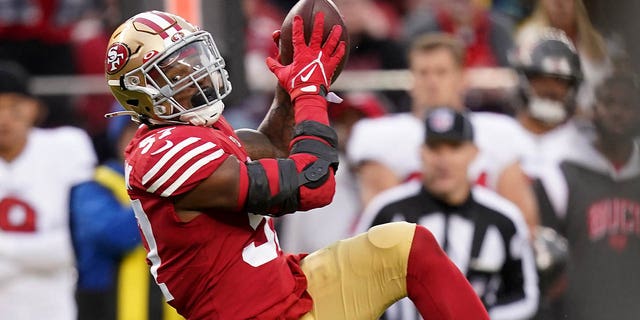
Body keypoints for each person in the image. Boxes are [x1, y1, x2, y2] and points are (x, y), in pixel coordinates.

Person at [103, 10, 489, 319]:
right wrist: (308, 90)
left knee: (407, 248)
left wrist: (290, 85)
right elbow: (311, 183)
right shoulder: (160, 154)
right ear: (141, 95)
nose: (194, 73)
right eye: (175, 72)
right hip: (254, 314)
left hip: (287, 289)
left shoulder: (201, 132)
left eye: (191, 58)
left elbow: (272, 145)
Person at [347, 33, 540, 236]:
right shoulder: (380, 133)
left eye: (441, 72)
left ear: (462, 78)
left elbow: (521, 221)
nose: (432, 82)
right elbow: (383, 224)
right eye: (423, 73)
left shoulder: (501, 131)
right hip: (410, 253)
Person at [358, 107, 539, 320]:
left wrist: (479, 316)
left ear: (474, 153)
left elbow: (525, 295)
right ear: (421, 152)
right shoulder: (387, 212)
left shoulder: (503, 218)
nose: (444, 160)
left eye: (454, 148)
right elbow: (357, 282)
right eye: (435, 148)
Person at [534, 70, 640, 320]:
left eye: (627, 105)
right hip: (578, 309)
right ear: (593, 109)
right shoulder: (561, 173)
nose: (617, 112)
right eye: (609, 103)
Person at [0, 60, 97, 319]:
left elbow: (70, 248)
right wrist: (38, 251)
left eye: (14, 107)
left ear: (34, 108)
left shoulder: (66, 146)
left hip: (54, 307)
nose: (4, 119)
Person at [70, 108, 183, 320]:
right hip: (109, 306)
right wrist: (165, 193)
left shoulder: (188, 183)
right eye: (136, 132)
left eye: (156, 133)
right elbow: (115, 235)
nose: (149, 144)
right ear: (119, 140)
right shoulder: (95, 186)